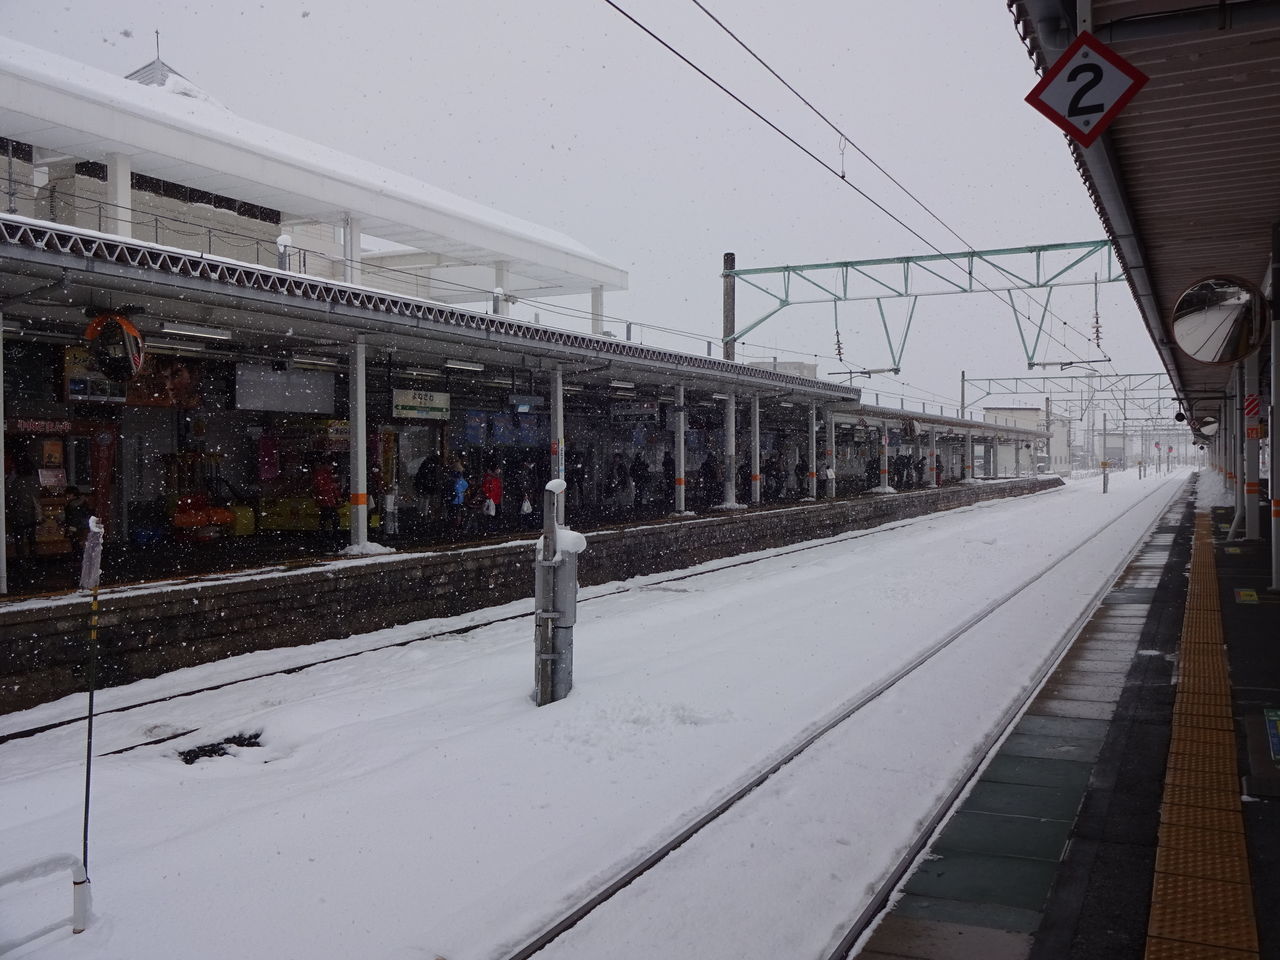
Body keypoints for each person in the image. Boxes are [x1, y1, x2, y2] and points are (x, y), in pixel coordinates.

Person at [311, 460, 341, 534]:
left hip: (327, 500)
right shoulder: (322, 474)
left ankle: (323, 533)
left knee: (325, 517)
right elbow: (320, 487)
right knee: (332, 517)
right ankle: (331, 533)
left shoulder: (325, 474)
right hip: (326, 500)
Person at [480, 464, 503, 531]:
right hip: (492, 499)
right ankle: (491, 527)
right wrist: (489, 497)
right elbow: (486, 488)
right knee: (492, 514)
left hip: (495, 499)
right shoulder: (489, 478)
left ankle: (493, 527)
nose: (498, 471)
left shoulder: (495, 477)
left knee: (495, 513)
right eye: (497, 469)